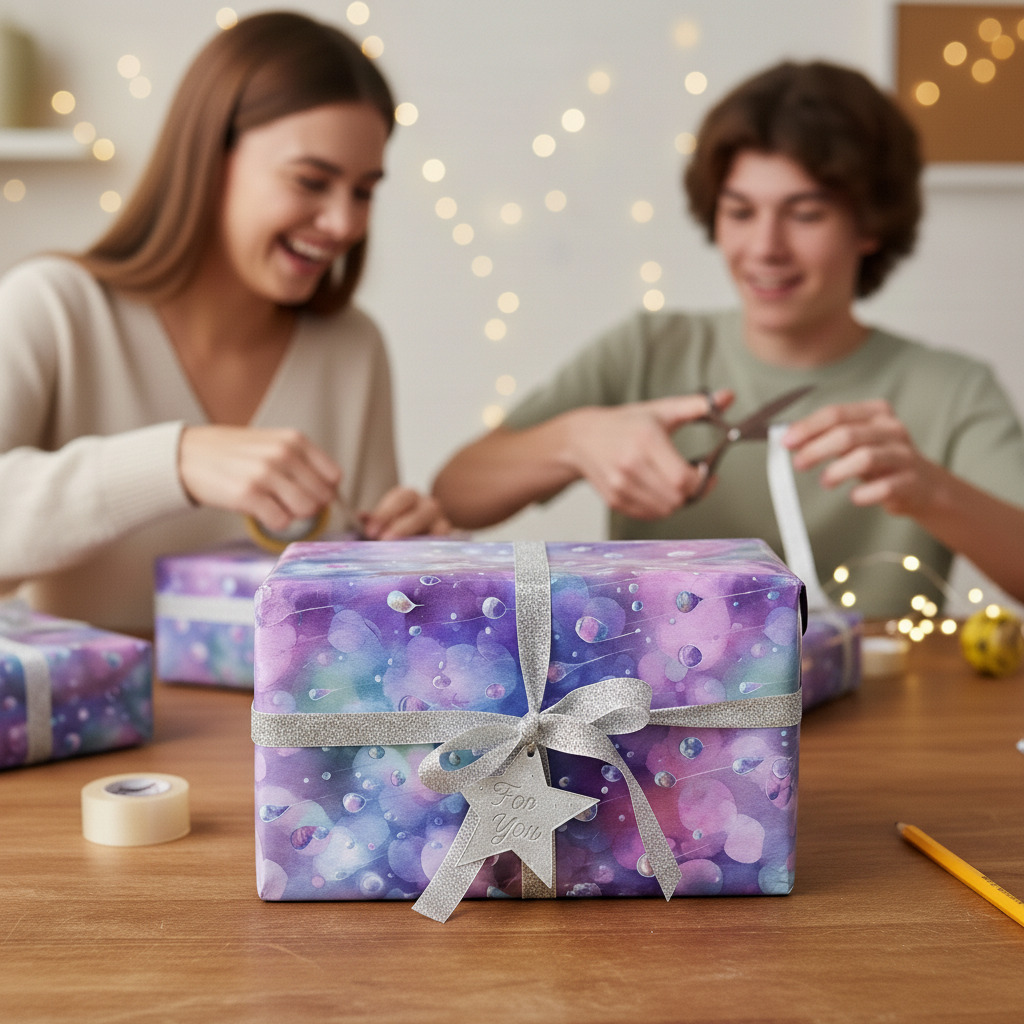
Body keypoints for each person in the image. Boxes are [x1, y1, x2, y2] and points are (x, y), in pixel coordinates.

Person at [433, 61, 1024, 617]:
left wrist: (932, 492)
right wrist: (573, 440)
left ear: (870, 223)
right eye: (740, 212)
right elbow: (456, 495)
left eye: (805, 214)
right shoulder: (646, 349)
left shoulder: (953, 391)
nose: (765, 247)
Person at [0, 12, 448, 631]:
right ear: (211, 158)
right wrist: (176, 461)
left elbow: (370, 625)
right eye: (311, 181)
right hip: (100, 698)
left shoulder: (353, 348)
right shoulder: (54, 307)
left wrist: (416, 563)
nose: (344, 223)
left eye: (363, 191)